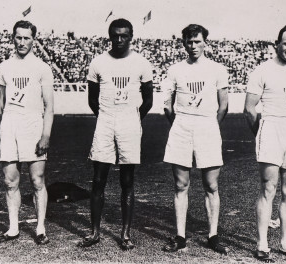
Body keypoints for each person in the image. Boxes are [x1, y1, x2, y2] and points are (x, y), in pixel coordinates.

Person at [80, 18, 153, 250]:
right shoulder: (98, 62)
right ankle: (94, 232)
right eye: (115, 35)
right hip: (105, 121)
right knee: (98, 179)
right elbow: (92, 99)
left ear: (131, 37)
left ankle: (125, 234)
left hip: (129, 123)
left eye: (124, 36)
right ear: (109, 36)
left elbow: (148, 100)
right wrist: (106, 116)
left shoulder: (141, 63)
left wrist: (132, 118)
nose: (119, 40)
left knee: (127, 181)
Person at [244, 25, 286, 262]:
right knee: (268, 188)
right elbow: (249, 109)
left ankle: (285, 244)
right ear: (277, 44)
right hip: (271, 128)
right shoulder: (262, 70)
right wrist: (261, 133)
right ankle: (262, 244)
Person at [162, 24, 229, 254]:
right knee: (181, 185)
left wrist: (210, 125)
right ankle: (180, 236)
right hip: (182, 126)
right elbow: (167, 107)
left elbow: (224, 106)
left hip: (207, 126)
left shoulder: (217, 70)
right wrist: (180, 125)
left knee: (211, 184)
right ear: (184, 43)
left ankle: (213, 235)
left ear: (205, 43)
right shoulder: (174, 70)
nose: (193, 46)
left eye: (198, 41)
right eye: (189, 42)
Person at [0, 20, 54, 245]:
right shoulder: (4, 67)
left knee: (37, 180)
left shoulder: (42, 67)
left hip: (33, 126)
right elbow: (2, 104)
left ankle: (40, 228)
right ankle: (13, 228)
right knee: (10, 181)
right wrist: (8, 127)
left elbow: (49, 106)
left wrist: (45, 135)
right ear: (13, 38)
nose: (22, 42)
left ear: (33, 40)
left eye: (26, 38)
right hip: (10, 125)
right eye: (18, 37)